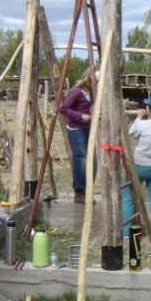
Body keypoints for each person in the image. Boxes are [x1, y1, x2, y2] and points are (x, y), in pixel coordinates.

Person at [121, 96, 151, 239]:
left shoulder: (143, 124)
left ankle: (126, 231)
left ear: (149, 110)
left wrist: (138, 117)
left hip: (139, 166)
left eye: (147, 106)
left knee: (128, 196)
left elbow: (131, 134)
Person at [60, 68, 95, 204]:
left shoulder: (91, 92)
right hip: (76, 129)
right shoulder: (76, 92)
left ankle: (86, 189)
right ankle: (79, 192)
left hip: (87, 128)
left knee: (91, 160)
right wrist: (80, 116)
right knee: (80, 158)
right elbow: (64, 108)